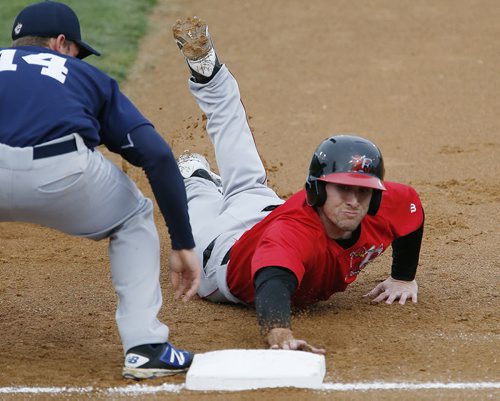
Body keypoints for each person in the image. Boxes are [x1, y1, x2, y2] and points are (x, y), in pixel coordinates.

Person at [172, 17, 424, 353]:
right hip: (218, 250)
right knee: (194, 204)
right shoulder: (291, 237)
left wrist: (403, 277)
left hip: (263, 212)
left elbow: (412, 212)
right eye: (342, 189)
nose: (353, 200)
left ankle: (210, 77)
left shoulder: (388, 202)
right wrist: (279, 333)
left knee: (242, 166)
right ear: (317, 190)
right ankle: (196, 178)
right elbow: (273, 283)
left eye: (363, 192)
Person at [0, 1, 201, 380]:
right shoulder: (83, 76)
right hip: (58, 174)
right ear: (61, 43)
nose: (79, 58)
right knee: (133, 216)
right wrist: (182, 242)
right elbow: (156, 155)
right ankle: (146, 348)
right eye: (77, 51)